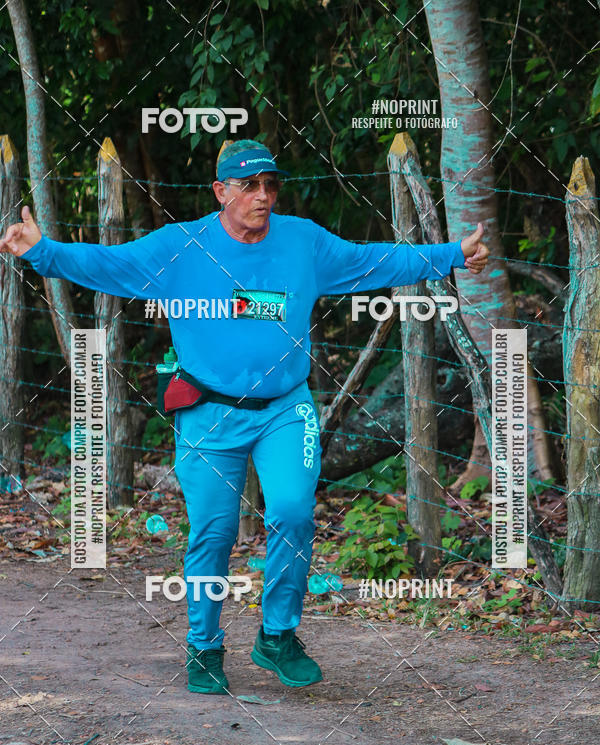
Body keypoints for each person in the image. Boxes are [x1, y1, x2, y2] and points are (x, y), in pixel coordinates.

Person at [0, 139, 489, 695]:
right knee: (214, 532)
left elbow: (374, 259)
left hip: (285, 407)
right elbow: (106, 263)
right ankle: (204, 647)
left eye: (270, 185)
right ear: (221, 191)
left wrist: (450, 254)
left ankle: (277, 635)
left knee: (293, 511)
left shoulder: (303, 242)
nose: (263, 196)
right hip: (208, 413)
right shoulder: (183, 248)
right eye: (250, 185)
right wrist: (41, 251)